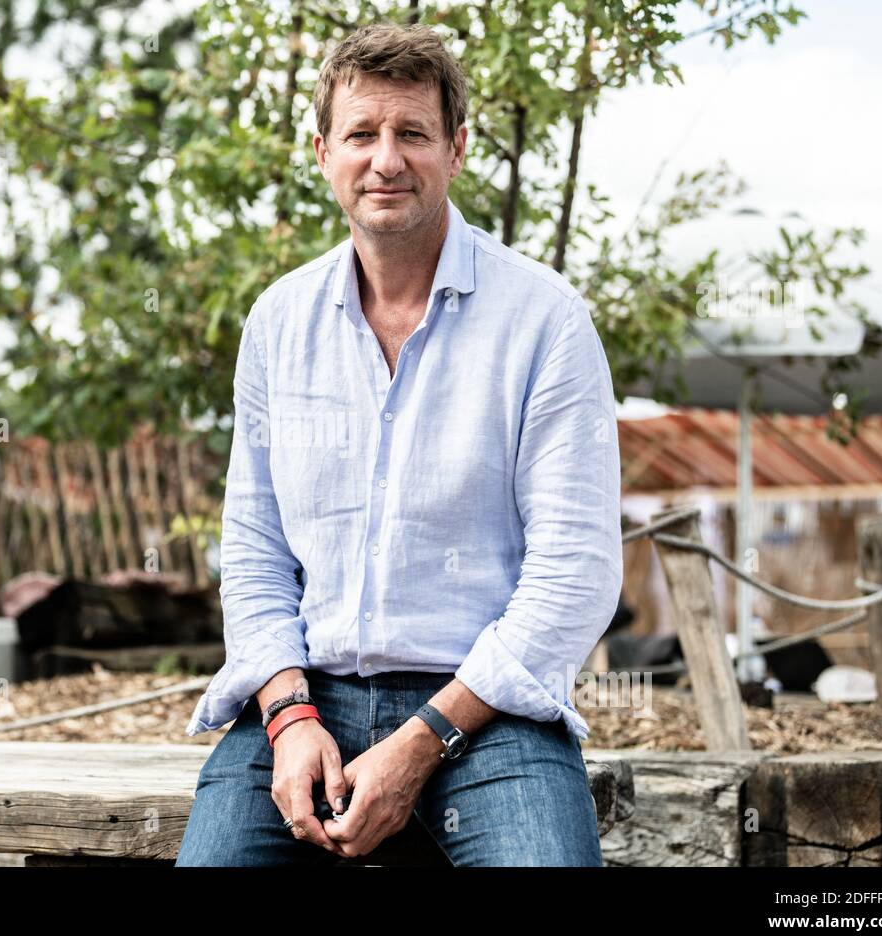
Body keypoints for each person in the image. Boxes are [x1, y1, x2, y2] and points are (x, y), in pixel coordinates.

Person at [177, 22, 622, 866]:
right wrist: (287, 713)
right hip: (311, 700)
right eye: (361, 135)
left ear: (455, 150)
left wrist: (426, 738)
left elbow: (578, 571)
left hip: (488, 712)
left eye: (411, 133)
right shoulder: (278, 322)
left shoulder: (545, 321)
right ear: (322, 153)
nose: (386, 159)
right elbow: (255, 547)